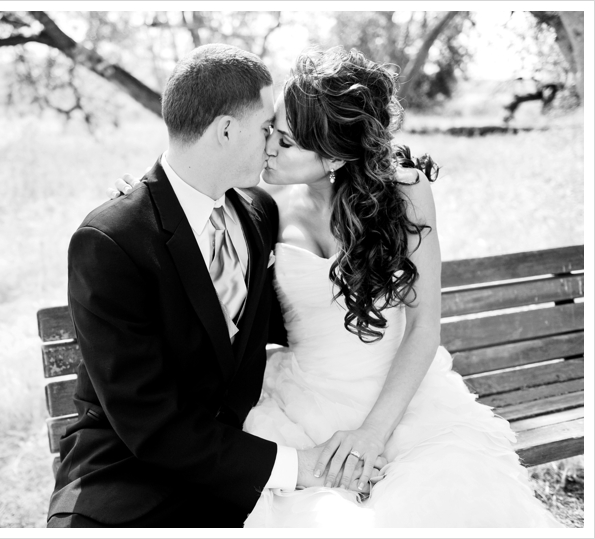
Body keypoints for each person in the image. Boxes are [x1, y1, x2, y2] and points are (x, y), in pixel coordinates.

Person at [116, 47, 563, 528]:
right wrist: (140, 198)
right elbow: (184, 199)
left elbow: (423, 327)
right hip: (301, 401)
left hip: (402, 398)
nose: (267, 148)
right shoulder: (259, 205)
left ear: (334, 156)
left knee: (439, 502)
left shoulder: (405, 194)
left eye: (284, 142)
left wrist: (372, 433)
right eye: (270, 131)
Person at [48, 43, 383, 528]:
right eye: (268, 128)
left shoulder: (259, 213)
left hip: (237, 461)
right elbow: (149, 423)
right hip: (129, 476)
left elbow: (281, 322)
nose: (272, 143)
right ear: (227, 130)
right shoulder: (111, 240)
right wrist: (299, 466)